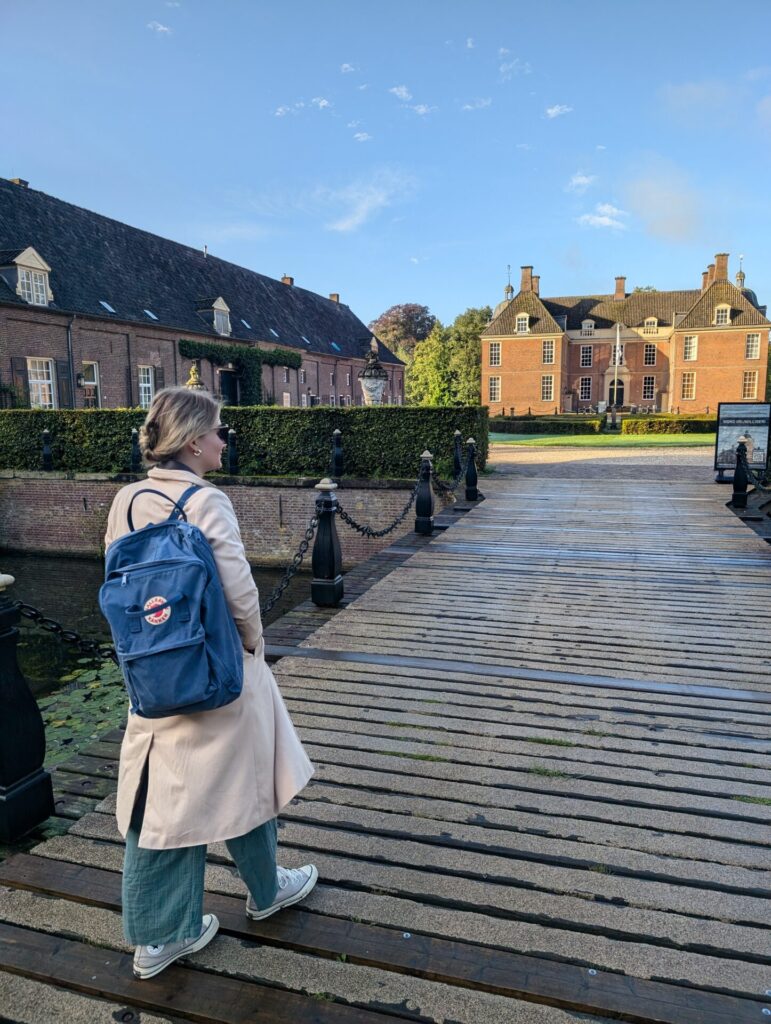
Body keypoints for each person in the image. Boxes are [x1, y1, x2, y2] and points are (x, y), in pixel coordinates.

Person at [104, 386, 316, 980]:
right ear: (195, 441)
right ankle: (242, 900)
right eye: (219, 431)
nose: (225, 441)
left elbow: (122, 591)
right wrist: (253, 643)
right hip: (216, 668)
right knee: (237, 779)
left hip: (153, 668)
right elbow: (238, 588)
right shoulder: (206, 500)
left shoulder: (125, 500)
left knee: (160, 792)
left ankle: (177, 926)